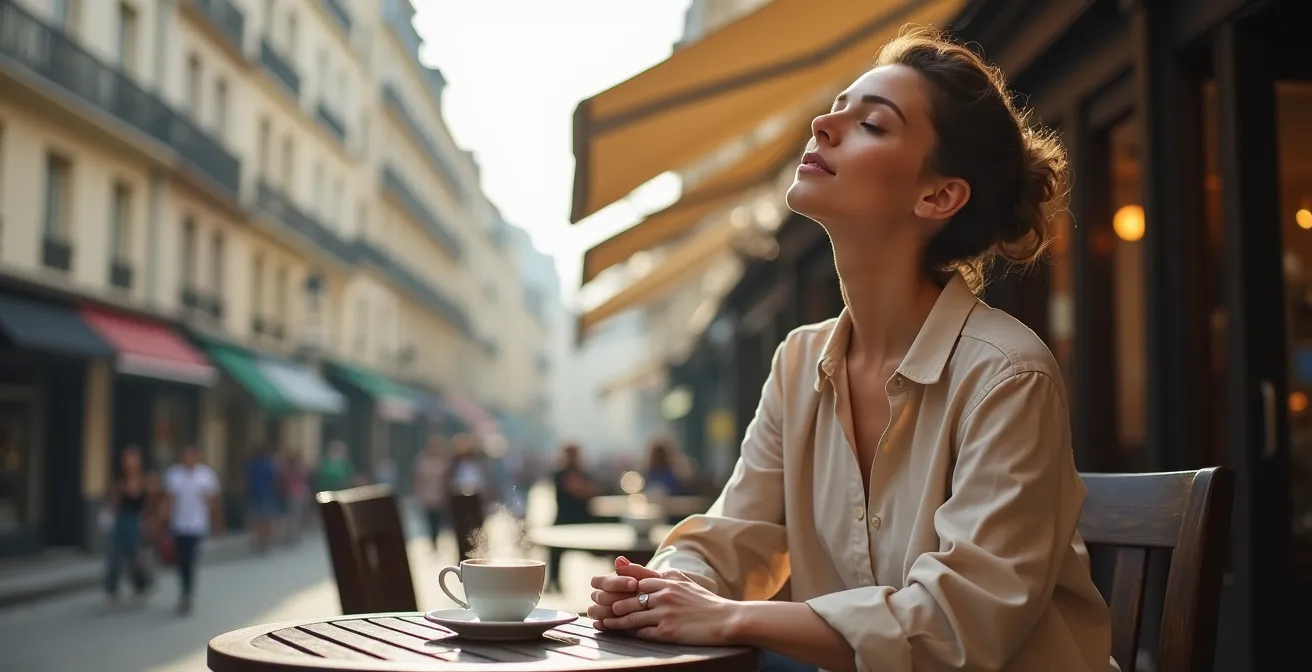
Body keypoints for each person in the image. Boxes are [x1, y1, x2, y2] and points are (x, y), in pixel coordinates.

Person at [587, 27, 1115, 672]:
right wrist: (660, 586)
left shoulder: (1007, 374)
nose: (824, 123)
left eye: (872, 124)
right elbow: (736, 536)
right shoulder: (797, 363)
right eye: (837, 106)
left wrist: (727, 614)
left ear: (938, 195)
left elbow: (960, 622)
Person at [161, 444, 221, 616]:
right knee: (181, 560)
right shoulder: (174, 474)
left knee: (190, 558)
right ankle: (184, 589)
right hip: (179, 525)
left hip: (197, 525)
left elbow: (214, 501)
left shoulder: (205, 475)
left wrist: (216, 523)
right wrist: (164, 522)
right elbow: (169, 500)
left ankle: (188, 593)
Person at [102, 445, 155, 608]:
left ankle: (140, 588)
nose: (130, 464)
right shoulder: (119, 480)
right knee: (114, 558)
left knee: (135, 558)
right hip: (120, 521)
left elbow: (150, 503)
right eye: (127, 460)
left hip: (135, 522)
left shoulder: (145, 480)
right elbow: (112, 501)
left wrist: (146, 520)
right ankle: (111, 592)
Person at [548, 443, 597, 592]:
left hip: (582, 519)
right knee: (555, 551)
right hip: (565, 518)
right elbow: (580, 490)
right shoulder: (561, 474)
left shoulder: (583, 473)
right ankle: (553, 580)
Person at [446, 434, 488, 561]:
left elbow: (485, 482)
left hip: (475, 501)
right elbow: (448, 483)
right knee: (461, 533)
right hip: (459, 502)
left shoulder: (478, 463)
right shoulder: (454, 465)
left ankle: (477, 557)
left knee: (476, 531)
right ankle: (463, 560)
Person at [411, 435, 449, 552]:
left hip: (439, 497)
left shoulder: (442, 461)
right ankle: (432, 542)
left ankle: (435, 540)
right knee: (429, 521)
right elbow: (417, 480)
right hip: (426, 498)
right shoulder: (422, 461)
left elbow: (446, 481)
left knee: (437, 522)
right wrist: (418, 496)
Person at [243, 443, 280, 553]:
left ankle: (258, 542)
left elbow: (245, 479)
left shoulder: (251, 464)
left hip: (256, 495)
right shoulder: (269, 464)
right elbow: (275, 480)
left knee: (257, 520)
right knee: (264, 521)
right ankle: (263, 543)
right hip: (265, 495)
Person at [280, 451, 310, 545]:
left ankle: (290, 536)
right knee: (296, 517)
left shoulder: (286, 470)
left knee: (290, 517)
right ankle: (294, 536)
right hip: (299, 495)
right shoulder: (300, 469)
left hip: (291, 495)